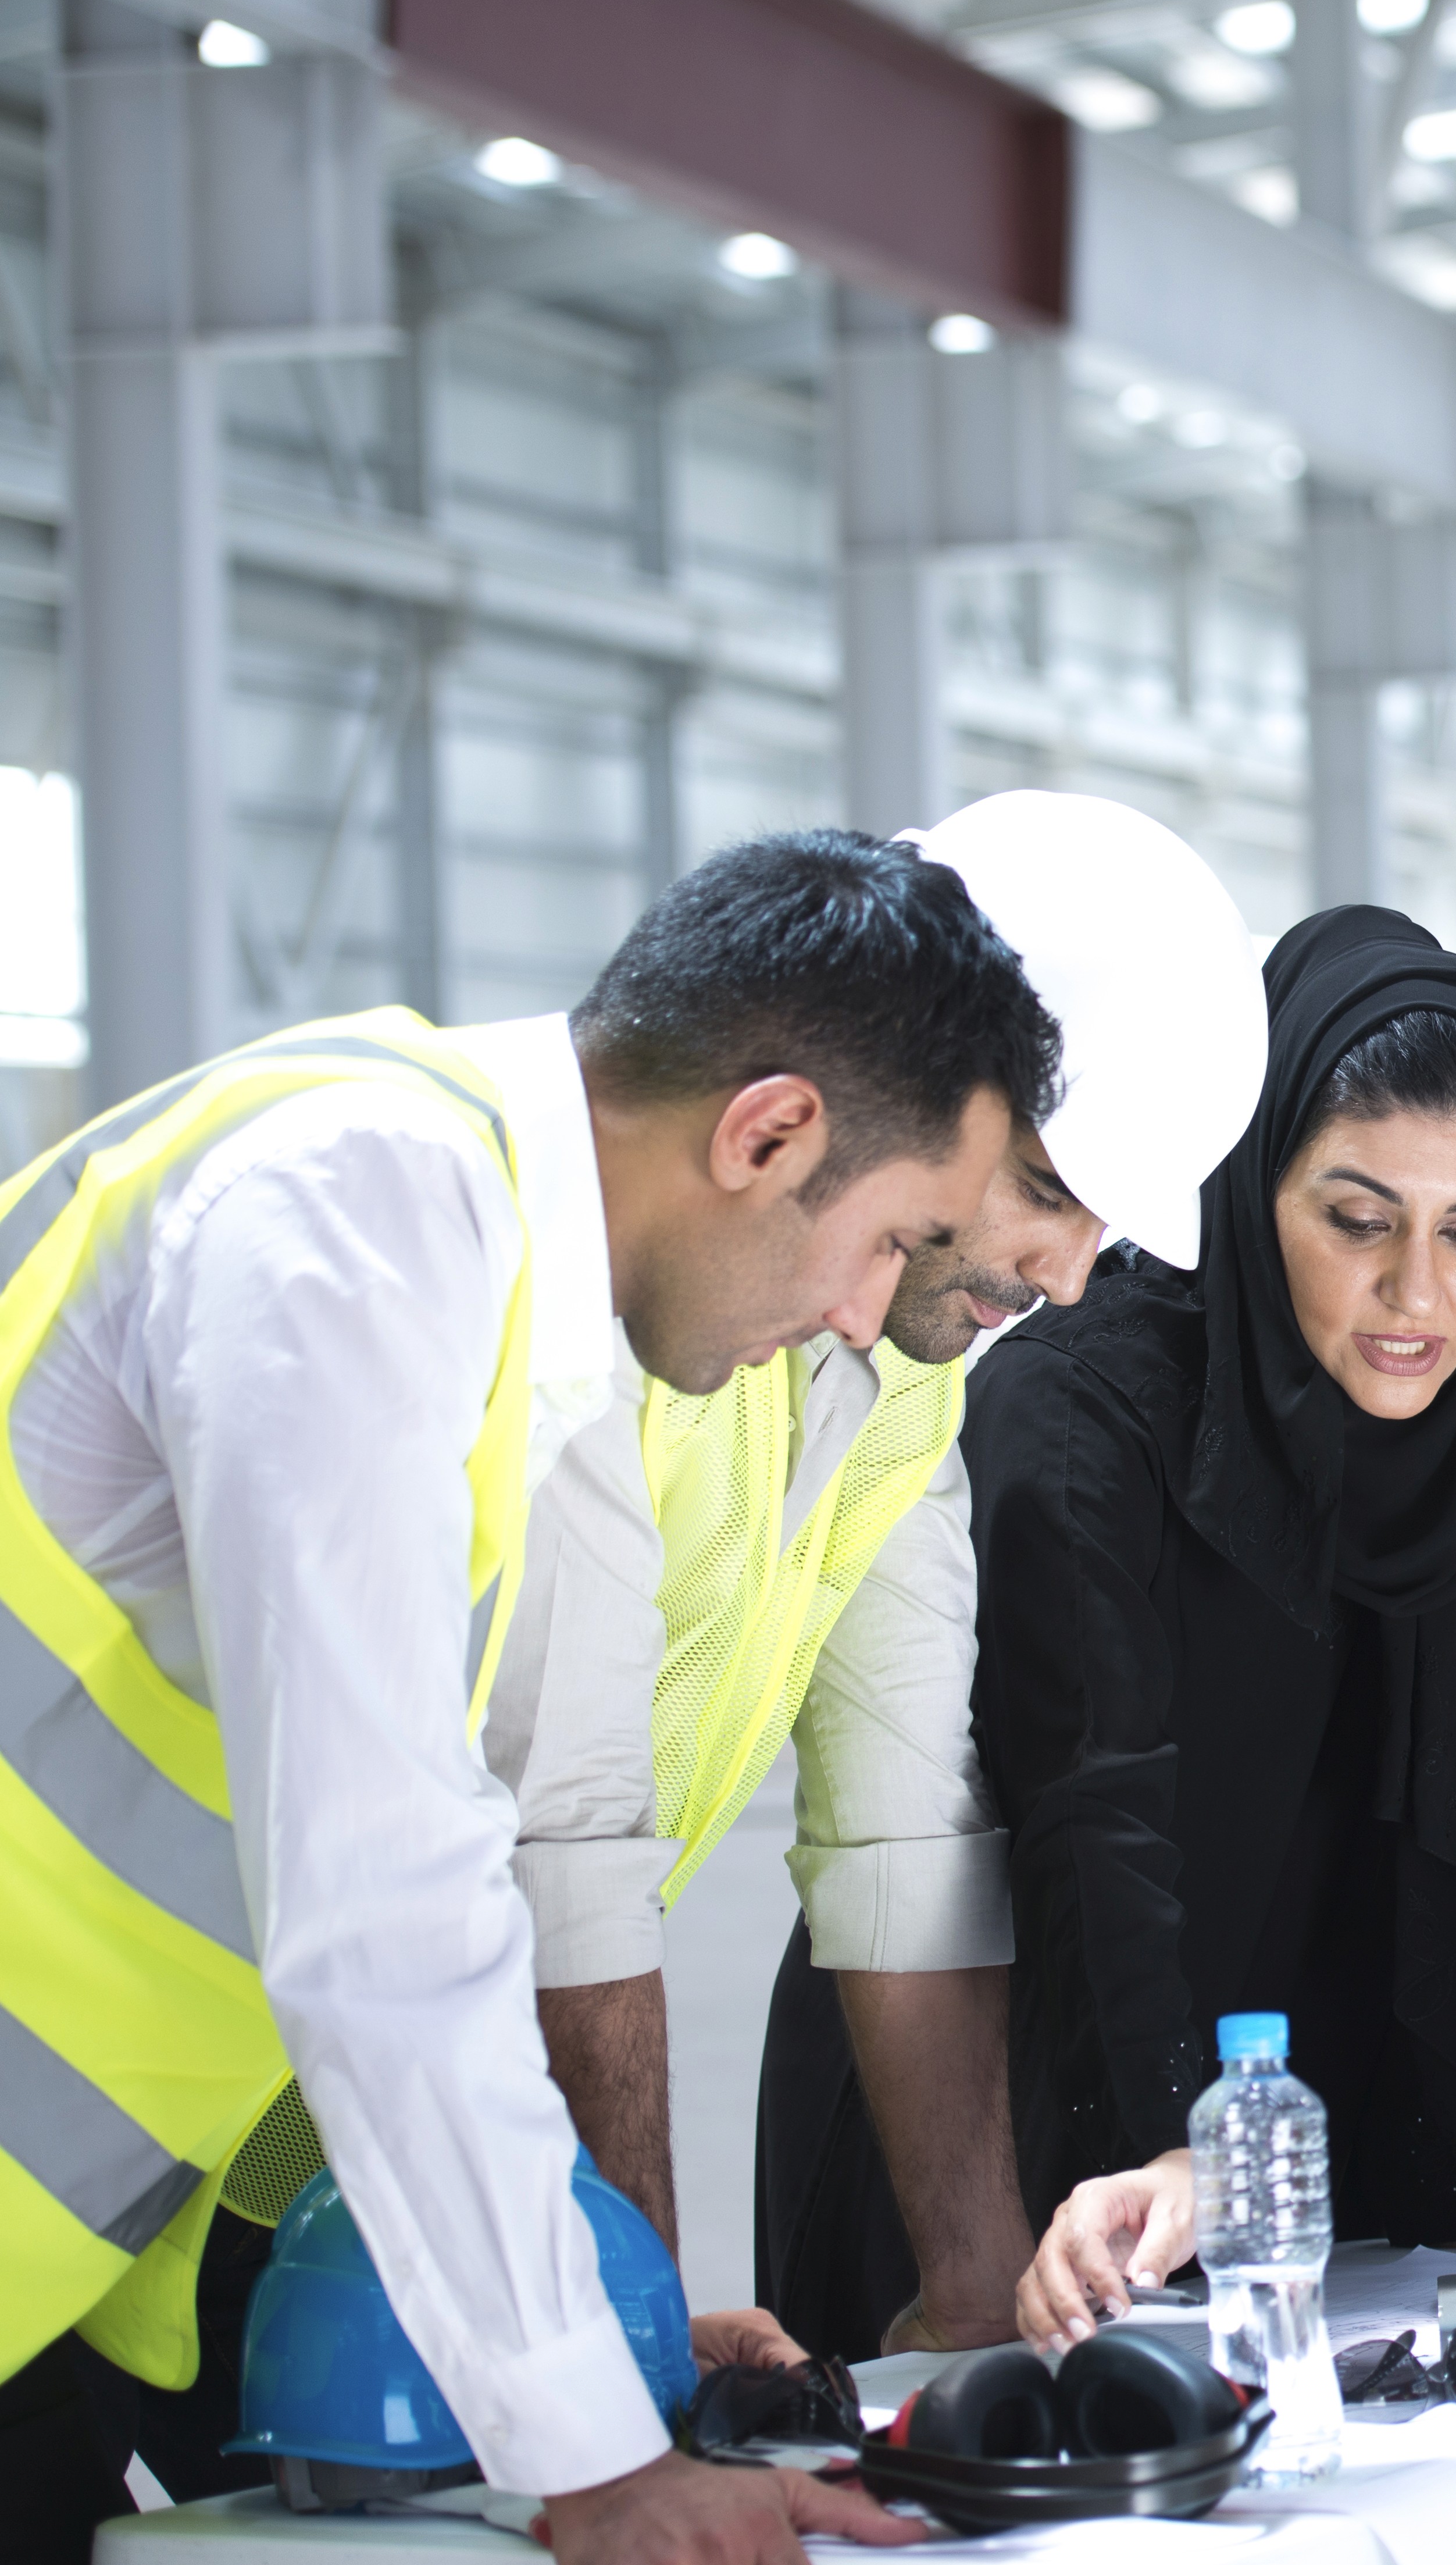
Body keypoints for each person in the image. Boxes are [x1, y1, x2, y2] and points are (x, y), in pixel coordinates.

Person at [1, 829, 1062, 2565]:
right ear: (764, 1134)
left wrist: (600, 2325)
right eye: (891, 1237)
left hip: (64, 2279)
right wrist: (602, 2455)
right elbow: (384, 1906)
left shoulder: (469, 1282)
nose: (862, 1313)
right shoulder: (346, 1220)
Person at [761, 913, 1456, 2475]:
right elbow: (1095, 1801)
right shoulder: (1086, 1388)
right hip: (999, 2080)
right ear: (1253, 1177)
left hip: (1260, 2110)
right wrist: (1171, 2134)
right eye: (1356, 1219)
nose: (1416, 1293)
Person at [479, 795, 1265, 2367]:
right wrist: (635, 2364)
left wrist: (975, 2296)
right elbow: (570, 1860)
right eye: (1043, 1190)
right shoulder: (617, 1306)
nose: (1063, 1276)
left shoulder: (901, 1371)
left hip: (330, 2128)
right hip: (261, 2128)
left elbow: (903, 1832)